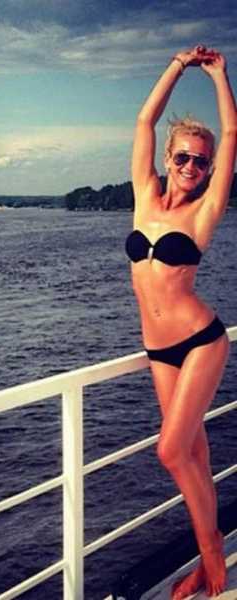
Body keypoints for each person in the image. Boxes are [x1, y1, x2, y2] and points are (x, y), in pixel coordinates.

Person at [127, 45, 237, 598]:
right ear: (168, 157)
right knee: (194, 455)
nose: (192, 167)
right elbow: (144, 121)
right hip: (158, 349)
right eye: (184, 157)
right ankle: (204, 558)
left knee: (171, 451)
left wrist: (219, 75)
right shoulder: (144, 194)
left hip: (199, 342)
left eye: (201, 161)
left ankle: (213, 555)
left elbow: (233, 133)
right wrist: (176, 64)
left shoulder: (204, 211)